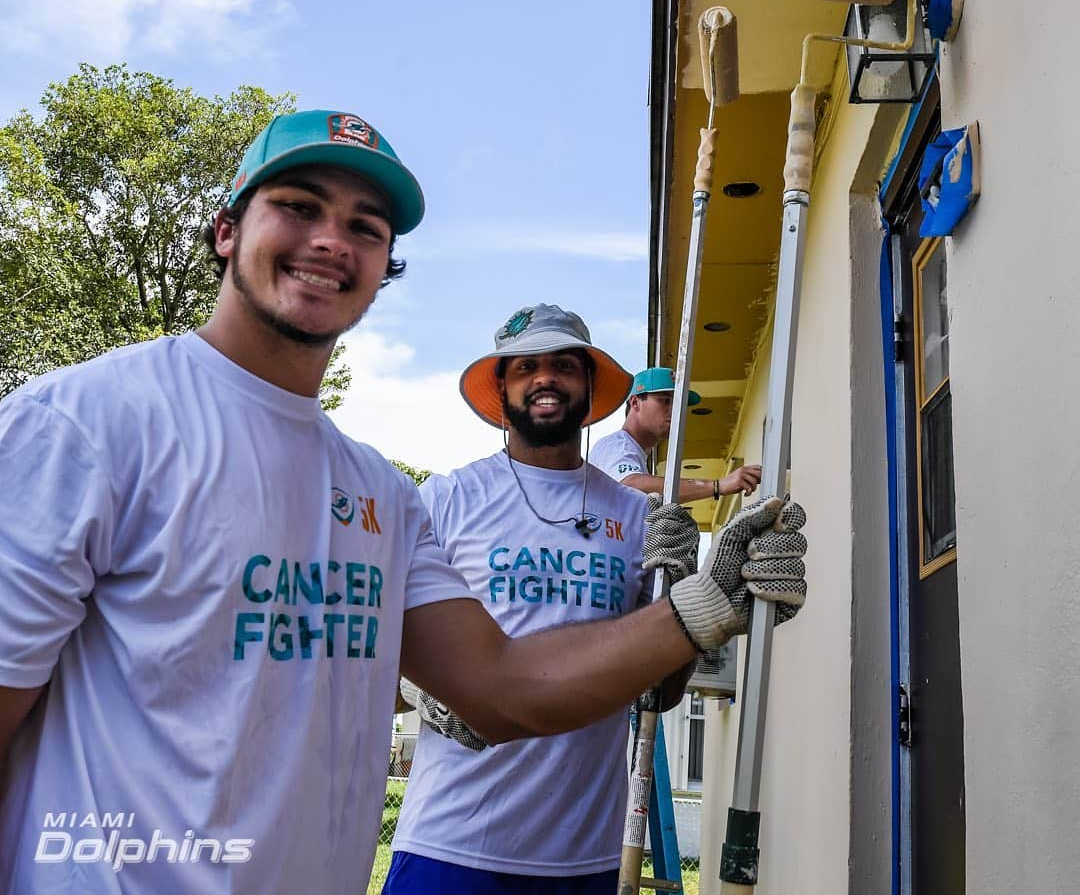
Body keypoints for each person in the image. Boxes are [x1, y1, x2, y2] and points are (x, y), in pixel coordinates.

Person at [0, 111, 809, 893]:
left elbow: (503, 688)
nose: (330, 240)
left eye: (365, 227)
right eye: (298, 206)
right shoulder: (84, 424)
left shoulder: (378, 492)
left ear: (383, 269)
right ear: (226, 231)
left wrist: (702, 604)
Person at [384, 305, 700, 894]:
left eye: (562, 365)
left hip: (581, 858)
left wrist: (680, 599)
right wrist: (417, 687)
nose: (545, 378)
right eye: (526, 366)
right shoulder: (448, 499)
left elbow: (664, 691)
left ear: (589, 384)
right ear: (502, 386)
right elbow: (376, 653)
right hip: (448, 844)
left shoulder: (638, 518)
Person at [590, 366, 762, 504]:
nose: (675, 410)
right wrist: (717, 486)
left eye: (679, 403)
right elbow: (630, 485)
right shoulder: (615, 445)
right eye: (665, 400)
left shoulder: (635, 455)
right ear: (635, 402)